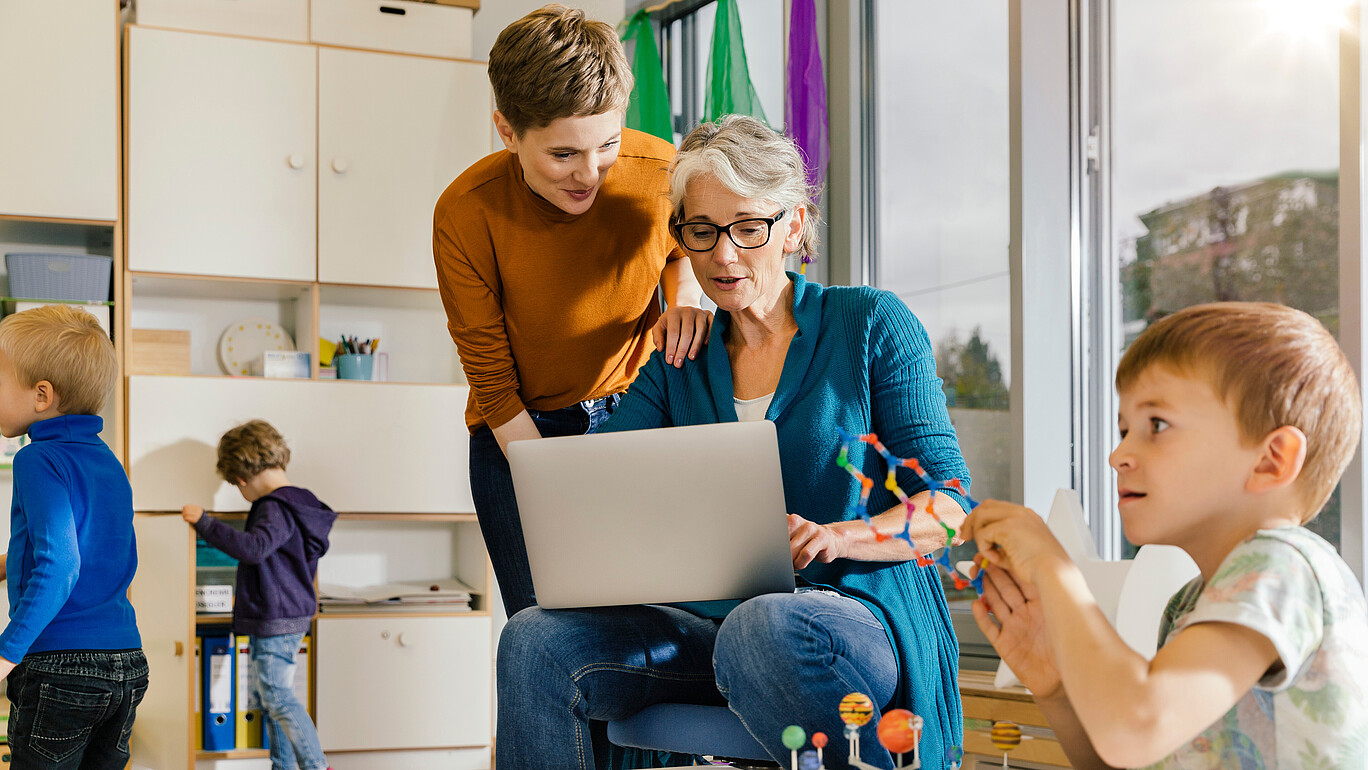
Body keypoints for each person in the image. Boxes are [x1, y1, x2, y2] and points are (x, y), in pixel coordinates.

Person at [495, 115, 971, 769]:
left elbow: (950, 508)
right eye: (703, 231)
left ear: (794, 226)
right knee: (533, 638)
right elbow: (599, 485)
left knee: (763, 624)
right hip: (706, 629)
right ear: (681, 237)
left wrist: (839, 539)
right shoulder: (678, 361)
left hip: (846, 617)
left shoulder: (869, 326)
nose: (724, 255)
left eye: (749, 228)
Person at [962, 302, 1368, 769]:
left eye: (1156, 425)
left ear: (1270, 460)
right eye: (1123, 429)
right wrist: (1057, 687)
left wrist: (1054, 568)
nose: (1118, 455)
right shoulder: (1188, 605)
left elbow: (1135, 730)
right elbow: (1132, 755)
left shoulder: (1286, 567)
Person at [433, 4, 711, 618]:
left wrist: (685, 293)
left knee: (653, 623)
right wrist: (555, 482)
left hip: (635, 415)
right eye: (563, 155)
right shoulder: (465, 213)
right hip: (519, 432)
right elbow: (490, 376)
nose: (590, 173)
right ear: (507, 131)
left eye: (606, 143)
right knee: (548, 636)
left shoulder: (660, 169)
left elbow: (678, 244)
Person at [0, 305, 145, 768]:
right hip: (126, 661)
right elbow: (104, 553)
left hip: (60, 666)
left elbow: (61, 565)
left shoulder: (36, 459)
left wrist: (7, 652)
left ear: (41, 395)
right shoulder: (108, 461)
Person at [182, 420, 337, 770]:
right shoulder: (303, 502)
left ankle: (316, 765)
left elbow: (254, 548)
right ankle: (283, 766)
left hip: (275, 615)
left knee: (278, 698)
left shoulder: (273, 506)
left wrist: (205, 523)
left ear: (241, 478)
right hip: (293, 612)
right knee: (273, 700)